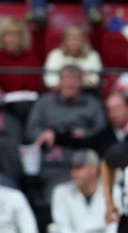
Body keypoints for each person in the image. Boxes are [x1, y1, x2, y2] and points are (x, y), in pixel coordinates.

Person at [25, 65, 106, 200]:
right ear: (59, 82)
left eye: (74, 79)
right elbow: (30, 129)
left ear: (81, 83)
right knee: (55, 193)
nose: (70, 83)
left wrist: (87, 134)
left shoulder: (92, 104)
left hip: (82, 159)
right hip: (52, 162)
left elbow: (102, 130)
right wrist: (43, 133)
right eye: (66, 79)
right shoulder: (44, 102)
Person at [0, 17, 41, 146]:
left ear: (22, 38)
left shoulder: (32, 59)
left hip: (27, 105)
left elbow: (34, 87)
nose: (11, 39)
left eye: (15, 35)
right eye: (8, 35)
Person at [43, 25, 103, 89]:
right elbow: (49, 80)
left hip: (86, 92)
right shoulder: (55, 55)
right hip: (59, 92)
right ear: (64, 41)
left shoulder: (93, 55)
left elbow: (94, 80)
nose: (74, 42)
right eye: (71, 39)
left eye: (78, 39)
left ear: (84, 41)